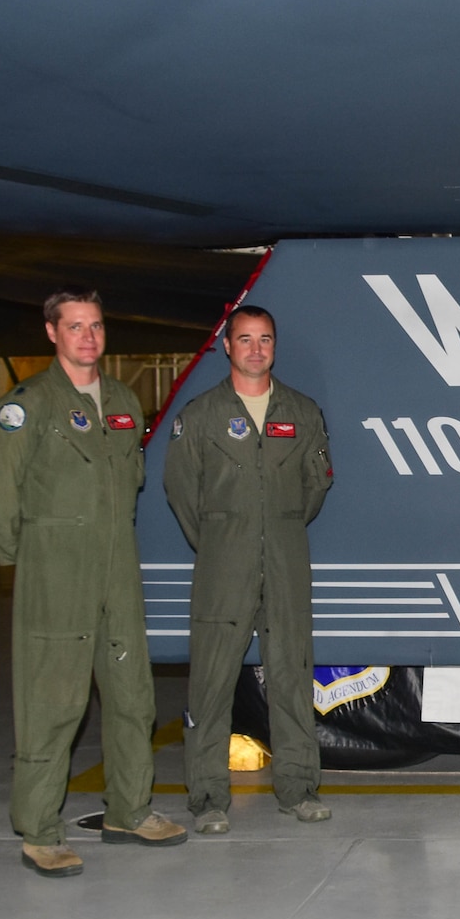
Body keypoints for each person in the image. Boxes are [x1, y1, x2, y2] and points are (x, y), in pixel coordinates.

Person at [0, 287, 189, 877]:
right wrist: (37, 562)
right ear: (52, 333)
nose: (88, 337)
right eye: (75, 326)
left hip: (117, 566)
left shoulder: (122, 399)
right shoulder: (30, 404)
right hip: (56, 569)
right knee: (53, 702)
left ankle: (129, 809)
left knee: (132, 695)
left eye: (95, 325)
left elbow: (133, 481)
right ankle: (40, 830)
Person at [165, 305, 335, 833]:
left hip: (286, 562)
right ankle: (209, 798)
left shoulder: (302, 412)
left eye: (265, 339)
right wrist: (224, 539)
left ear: (274, 347)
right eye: (245, 339)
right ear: (227, 346)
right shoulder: (200, 416)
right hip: (223, 567)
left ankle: (298, 789)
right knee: (211, 685)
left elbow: (315, 486)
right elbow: (180, 491)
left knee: (291, 677)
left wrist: (276, 528)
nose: (256, 349)